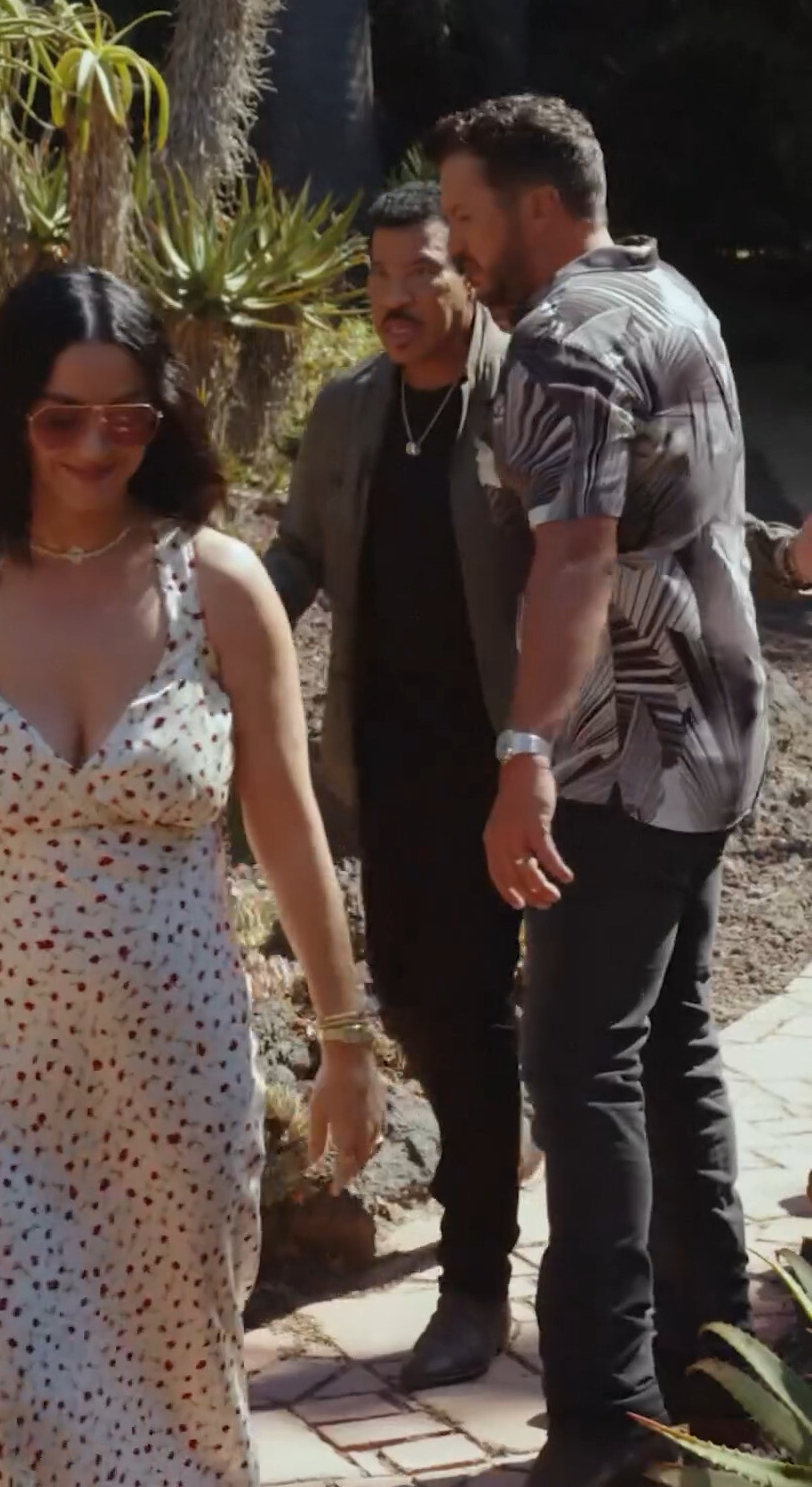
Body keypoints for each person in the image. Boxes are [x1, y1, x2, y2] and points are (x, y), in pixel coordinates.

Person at [0, 266, 384, 1487]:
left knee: (178, 1404)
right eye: (63, 418)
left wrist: (345, 1038)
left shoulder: (220, 585)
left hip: (173, 1078)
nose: (97, 446)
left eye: (127, 417)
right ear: (10, 418)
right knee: (2, 1407)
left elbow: (286, 821)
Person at [436, 93, 770, 1487]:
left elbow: (574, 558)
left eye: (464, 218)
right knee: (666, 1040)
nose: (454, 251)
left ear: (535, 206)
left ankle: (602, 1416)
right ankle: (721, 1375)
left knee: (580, 1064)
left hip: (622, 751)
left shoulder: (564, 339)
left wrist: (525, 753)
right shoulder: (669, 295)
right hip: (719, 736)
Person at [265, 184, 533, 1391]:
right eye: (375, 277)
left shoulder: (526, 394)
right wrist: (207, 637)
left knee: (471, 1010)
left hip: (512, 762)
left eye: (420, 272)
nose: (394, 297)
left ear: (467, 268)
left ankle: (474, 1284)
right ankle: (499, 1137)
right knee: (420, 1004)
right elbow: (300, 556)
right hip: (388, 765)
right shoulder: (349, 409)